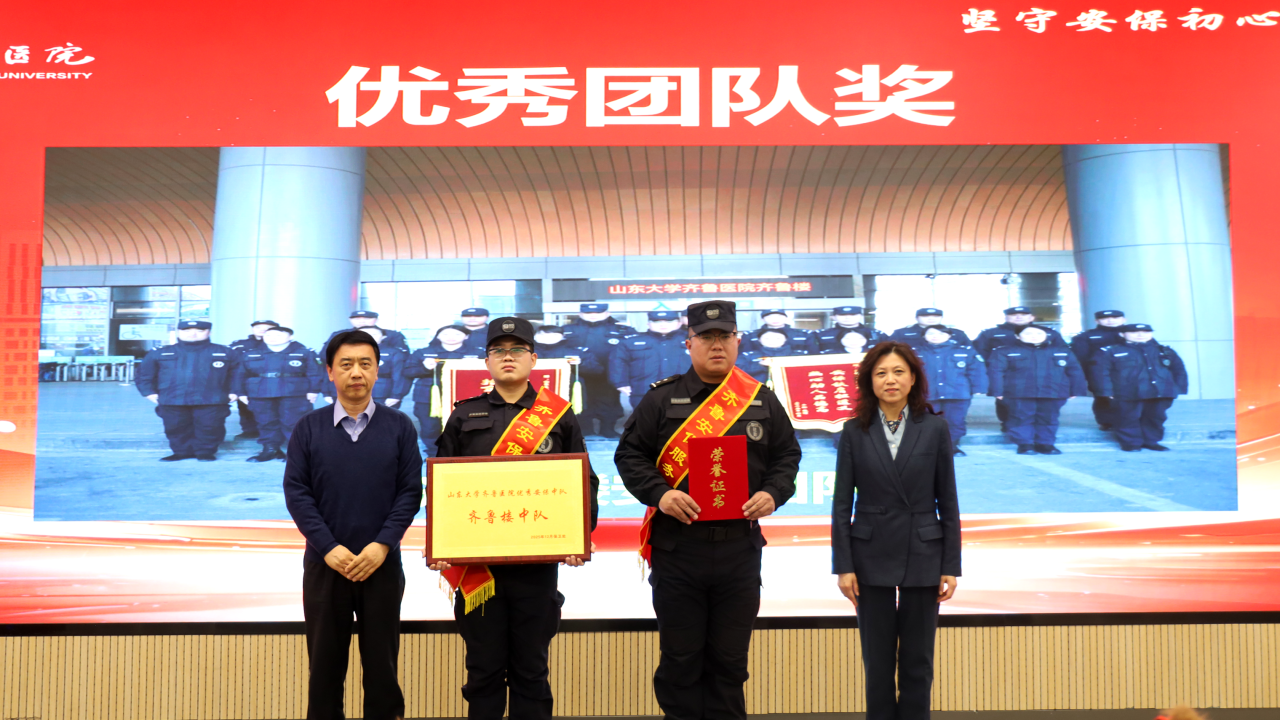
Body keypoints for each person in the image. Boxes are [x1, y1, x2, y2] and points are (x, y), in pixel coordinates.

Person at [615, 299, 801, 720]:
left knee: (730, 663)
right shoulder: (661, 399)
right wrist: (661, 494)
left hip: (739, 550)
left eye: (725, 336)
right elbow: (630, 456)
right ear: (689, 343)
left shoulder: (760, 400)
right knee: (680, 661)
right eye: (706, 337)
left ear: (738, 341)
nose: (717, 345)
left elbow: (787, 456)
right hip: (678, 549)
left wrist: (773, 493)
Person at [429, 316, 599, 720]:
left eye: (517, 349)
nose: (508, 357)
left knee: (531, 672)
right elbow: (441, 485)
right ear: (487, 361)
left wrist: (578, 536)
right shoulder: (463, 416)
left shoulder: (558, 416)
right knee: (483, 672)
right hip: (479, 569)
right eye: (499, 351)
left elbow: (583, 481)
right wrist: (441, 541)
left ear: (533, 359)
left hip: (536, 568)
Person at [283, 329, 423, 720]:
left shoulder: (400, 426)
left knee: (383, 670)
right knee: (324, 671)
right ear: (330, 372)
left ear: (377, 370)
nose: (356, 373)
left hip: (381, 565)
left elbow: (410, 493)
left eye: (365, 364)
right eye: (346, 364)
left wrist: (382, 545)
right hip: (326, 566)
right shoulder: (308, 427)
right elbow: (298, 494)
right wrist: (328, 548)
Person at [830, 341, 960, 720]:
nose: (891, 380)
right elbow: (841, 504)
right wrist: (843, 566)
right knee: (878, 661)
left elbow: (948, 501)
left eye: (899, 371)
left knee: (919, 661)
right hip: (870, 556)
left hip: (924, 553)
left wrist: (950, 565)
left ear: (913, 378)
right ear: (869, 381)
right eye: (881, 373)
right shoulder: (854, 431)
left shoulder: (935, 428)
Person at [135, 319, 238, 462]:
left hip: (211, 398)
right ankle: (181, 452)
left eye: (200, 331)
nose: (193, 334)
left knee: (210, 426)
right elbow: (144, 374)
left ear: (209, 332)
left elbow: (238, 374)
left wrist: (235, 391)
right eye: (187, 330)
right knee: (175, 427)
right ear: (178, 332)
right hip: (173, 398)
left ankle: (205, 452)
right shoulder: (160, 352)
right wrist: (148, 392)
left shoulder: (225, 352)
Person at [987, 325, 1087, 455]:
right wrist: (997, 391)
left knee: (1049, 418)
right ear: (1018, 336)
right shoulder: (1004, 351)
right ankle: (1025, 444)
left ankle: (1046, 444)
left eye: (1039, 333)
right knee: (1021, 418)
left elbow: (1074, 371)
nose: (1034, 336)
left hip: (1053, 391)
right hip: (1018, 392)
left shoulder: (1062, 351)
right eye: (1028, 333)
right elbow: (996, 372)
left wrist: (1076, 390)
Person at [1093, 323, 1188, 452]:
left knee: (1155, 418)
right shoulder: (1111, 351)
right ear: (1122, 334)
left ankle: (1151, 441)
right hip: (1127, 392)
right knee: (1127, 418)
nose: (1140, 335)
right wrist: (1106, 391)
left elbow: (1178, 370)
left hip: (1159, 392)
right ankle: (1131, 443)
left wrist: (1177, 388)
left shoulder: (1164, 350)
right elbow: (1102, 373)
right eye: (1133, 332)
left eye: (1146, 332)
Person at [235, 325, 322, 462]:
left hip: (294, 392)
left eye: (278, 335)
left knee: (293, 422)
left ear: (291, 337)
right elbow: (240, 374)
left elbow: (315, 373)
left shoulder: (304, 353)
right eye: (268, 335)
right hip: (260, 392)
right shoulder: (250, 353)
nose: (272, 338)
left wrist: (314, 390)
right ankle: (271, 450)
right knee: (265, 422)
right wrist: (240, 393)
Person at [973, 306, 1067, 432]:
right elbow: (980, 354)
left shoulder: (1049, 333)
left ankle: (1040, 426)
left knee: (1044, 402)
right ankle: (1008, 423)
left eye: (1023, 314)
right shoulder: (990, 334)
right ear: (1006, 317)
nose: (1019, 317)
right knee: (1005, 401)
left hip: (1044, 375)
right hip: (1006, 375)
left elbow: (1063, 353)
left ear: (1031, 317)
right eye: (1014, 315)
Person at [404, 325, 479, 456]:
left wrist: (476, 365)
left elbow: (490, 374)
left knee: (465, 426)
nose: (451, 337)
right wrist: (425, 368)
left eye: (457, 334)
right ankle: (435, 455)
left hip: (464, 396)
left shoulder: (478, 353)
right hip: (429, 397)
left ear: (466, 336)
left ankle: (462, 455)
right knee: (430, 428)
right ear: (438, 336)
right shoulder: (423, 352)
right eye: (445, 334)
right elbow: (408, 372)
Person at [562, 303, 635, 438]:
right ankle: (584, 430)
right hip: (578, 374)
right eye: (588, 313)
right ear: (580, 314)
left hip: (609, 374)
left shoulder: (622, 330)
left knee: (609, 403)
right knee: (580, 402)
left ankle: (608, 429)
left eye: (598, 313)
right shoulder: (566, 330)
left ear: (607, 313)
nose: (593, 316)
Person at [916, 326, 987, 456]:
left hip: (957, 393)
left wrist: (979, 388)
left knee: (955, 421)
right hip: (927, 393)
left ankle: (953, 446)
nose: (935, 336)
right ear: (923, 336)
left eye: (941, 333)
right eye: (931, 333)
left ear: (949, 336)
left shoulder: (964, 351)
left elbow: (977, 370)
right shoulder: (914, 352)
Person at [610, 311, 691, 406]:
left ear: (679, 323)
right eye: (656, 321)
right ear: (648, 323)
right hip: (644, 392)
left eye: (669, 321)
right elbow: (618, 363)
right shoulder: (631, 342)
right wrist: (621, 383)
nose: (663, 325)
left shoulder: (695, 341)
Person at [323, 326, 409, 408]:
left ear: (383, 337)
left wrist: (396, 395)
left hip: (379, 394)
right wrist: (326, 392)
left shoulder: (394, 353)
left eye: (374, 334)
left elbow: (399, 376)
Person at [1071, 310, 1127, 430]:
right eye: (1105, 318)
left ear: (1123, 320)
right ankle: (1106, 422)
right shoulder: (1086, 336)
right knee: (1103, 397)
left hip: (1129, 373)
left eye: (1115, 318)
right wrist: (1085, 377)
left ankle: (1131, 421)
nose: (1110, 320)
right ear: (1097, 321)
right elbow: (1080, 358)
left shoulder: (1133, 333)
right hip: (1099, 373)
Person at [229, 319, 279, 440]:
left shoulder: (282, 343)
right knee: (245, 406)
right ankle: (249, 430)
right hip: (245, 380)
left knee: (273, 408)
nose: (262, 330)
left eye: (267, 328)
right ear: (252, 329)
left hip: (272, 381)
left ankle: (274, 433)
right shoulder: (239, 345)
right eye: (258, 327)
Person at [324, 310, 410, 354]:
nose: (362, 321)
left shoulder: (393, 335)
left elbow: (403, 356)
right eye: (357, 319)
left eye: (367, 318)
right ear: (350, 320)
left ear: (376, 320)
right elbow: (325, 355)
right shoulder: (339, 335)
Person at [812, 306, 888, 354]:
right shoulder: (820, 334)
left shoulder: (876, 334)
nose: (848, 317)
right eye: (842, 315)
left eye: (853, 315)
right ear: (833, 317)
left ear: (861, 316)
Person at [890, 308, 971, 349]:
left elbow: (970, 351)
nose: (931, 318)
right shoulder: (900, 333)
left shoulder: (957, 334)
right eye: (925, 316)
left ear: (941, 318)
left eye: (936, 316)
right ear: (916, 318)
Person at [743, 309, 811, 353]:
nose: (775, 319)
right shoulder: (750, 335)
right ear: (762, 319)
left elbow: (813, 353)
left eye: (779, 316)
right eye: (770, 317)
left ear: (786, 318)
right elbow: (745, 354)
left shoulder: (804, 334)